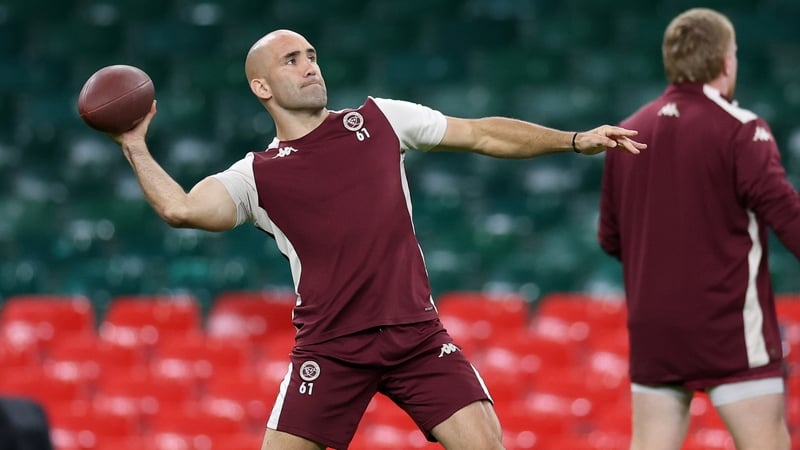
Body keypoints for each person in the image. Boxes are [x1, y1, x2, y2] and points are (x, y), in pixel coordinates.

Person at [111, 29, 645, 450]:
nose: (310, 65)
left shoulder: (380, 119)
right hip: (332, 347)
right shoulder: (256, 175)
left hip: (416, 335)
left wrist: (574, 140)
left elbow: (481, 132)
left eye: (311, 54)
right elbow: (180, 209)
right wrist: (134, 145)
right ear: (261, 87)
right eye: (291, 60)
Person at [598, 8, 798, 450]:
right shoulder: (742, 130)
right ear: (726, 61)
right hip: (728, 329)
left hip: (654, 331)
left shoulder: (627, 132)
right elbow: (789, 219)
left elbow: (610, 238)